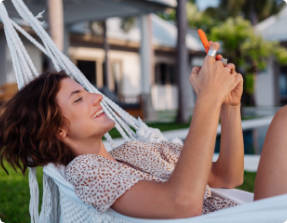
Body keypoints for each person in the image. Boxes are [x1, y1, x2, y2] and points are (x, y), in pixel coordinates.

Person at [0, 42, 281, 219]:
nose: (97, 97)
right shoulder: (85, 171)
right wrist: (207, 99)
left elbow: (226, 176)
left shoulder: (132, 150)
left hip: (250, 212)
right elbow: (182, 204)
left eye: (87, 92)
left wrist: (229, 106)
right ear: (58, 129)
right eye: (78, 98)